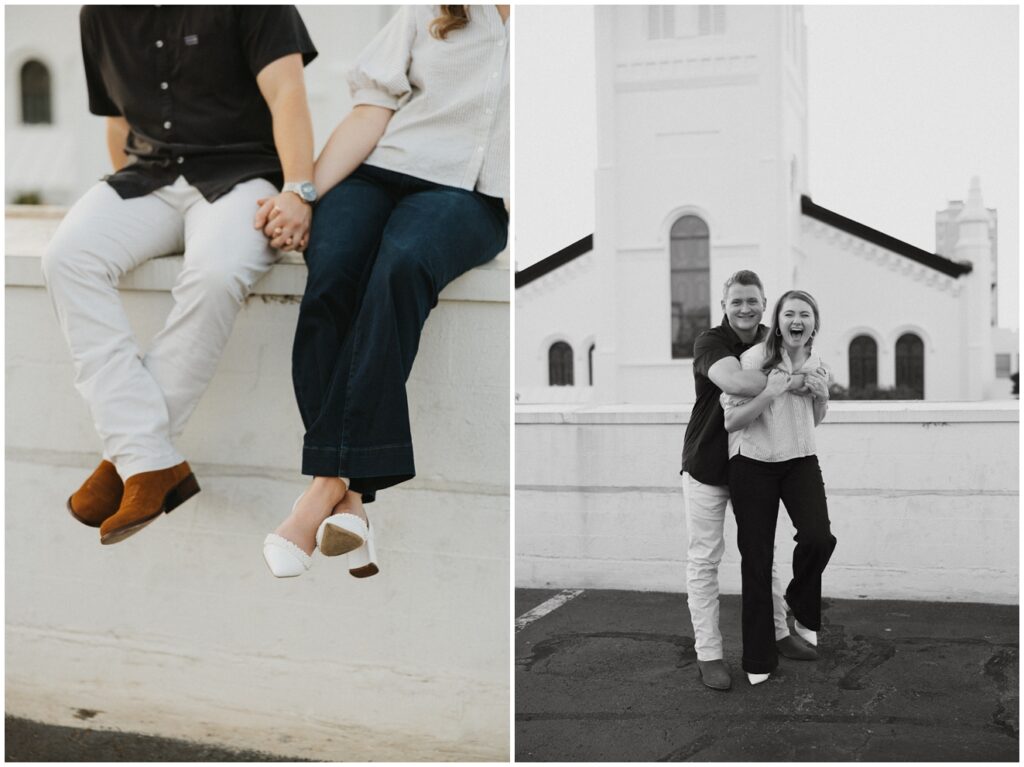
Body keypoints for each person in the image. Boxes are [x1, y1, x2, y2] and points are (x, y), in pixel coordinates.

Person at [43, 7, 317, 545]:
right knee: (66, 258)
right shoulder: (99, 14)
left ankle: (127, 460)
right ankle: (146, 457)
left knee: (216, 273)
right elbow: (118, 122)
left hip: (240, 175)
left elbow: (288, 92)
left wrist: (298, 189)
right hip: (147, 176)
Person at [262, 5, 510, 578]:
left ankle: (320, 493)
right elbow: (370, 111)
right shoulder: (432, 8)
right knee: (330, 273)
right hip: (378, 171)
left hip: (467, 196)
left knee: (400, 268)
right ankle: (345, 502)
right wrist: (300, 194)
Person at [680, 271, 818, 691]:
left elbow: (813, 368)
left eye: (753, 301)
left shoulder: (773, 337)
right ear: (724, 304)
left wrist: (804, 378)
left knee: (761, 555)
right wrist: (794, 380)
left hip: (757, 465)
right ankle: (709, 653)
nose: (745, 308)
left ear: (764, 304)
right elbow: (737, 381)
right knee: (705, 560)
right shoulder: (711, 342)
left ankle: (778, 632)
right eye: (737, 301)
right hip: (707, 464)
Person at [721, 289, 837, 685]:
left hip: (801, 459)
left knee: (819, 538)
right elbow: (731, 422)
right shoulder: (754, 360)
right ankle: (758, 659)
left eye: (805, 314)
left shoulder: (817, 362)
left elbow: (813, 419)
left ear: (814, 324)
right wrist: (771, 390)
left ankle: (799, 604)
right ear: (779, 320)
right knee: (755, 562)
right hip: (753, 464)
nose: (797, 320)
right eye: (789, 314)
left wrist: (822, 397)